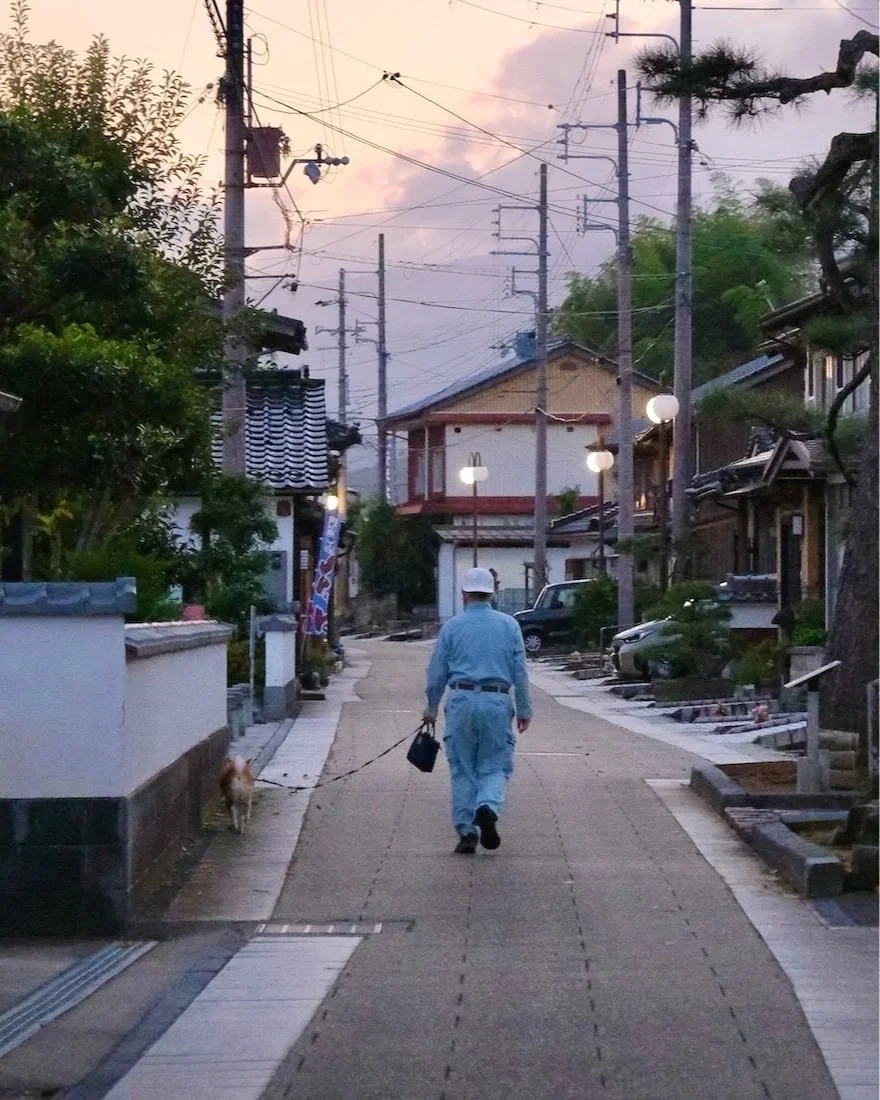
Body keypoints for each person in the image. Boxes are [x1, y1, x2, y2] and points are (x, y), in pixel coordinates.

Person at [423, 566, 532, 854]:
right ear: (492, 592)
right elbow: (520, 671)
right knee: (495, 763)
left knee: (462, 767)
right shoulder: (509, 626)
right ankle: (487, 806)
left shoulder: (452, 627)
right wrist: (524, 708)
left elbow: (437, 672)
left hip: (461, 699)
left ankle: (467, 832)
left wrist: (431, 706)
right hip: (497, 700)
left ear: (464, 594)